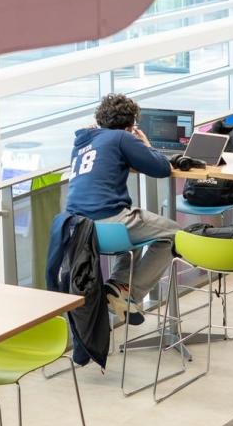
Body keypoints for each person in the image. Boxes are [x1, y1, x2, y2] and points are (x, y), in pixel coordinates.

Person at [66, 93, 179, 324]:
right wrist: (145, 145)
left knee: (136, 229)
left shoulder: (83, 142)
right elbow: (162, 168)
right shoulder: (121, 138)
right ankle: (131, 294)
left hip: (79, 228)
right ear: (129, 126)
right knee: (175, 235)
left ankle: (118, 285)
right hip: (110, 224)